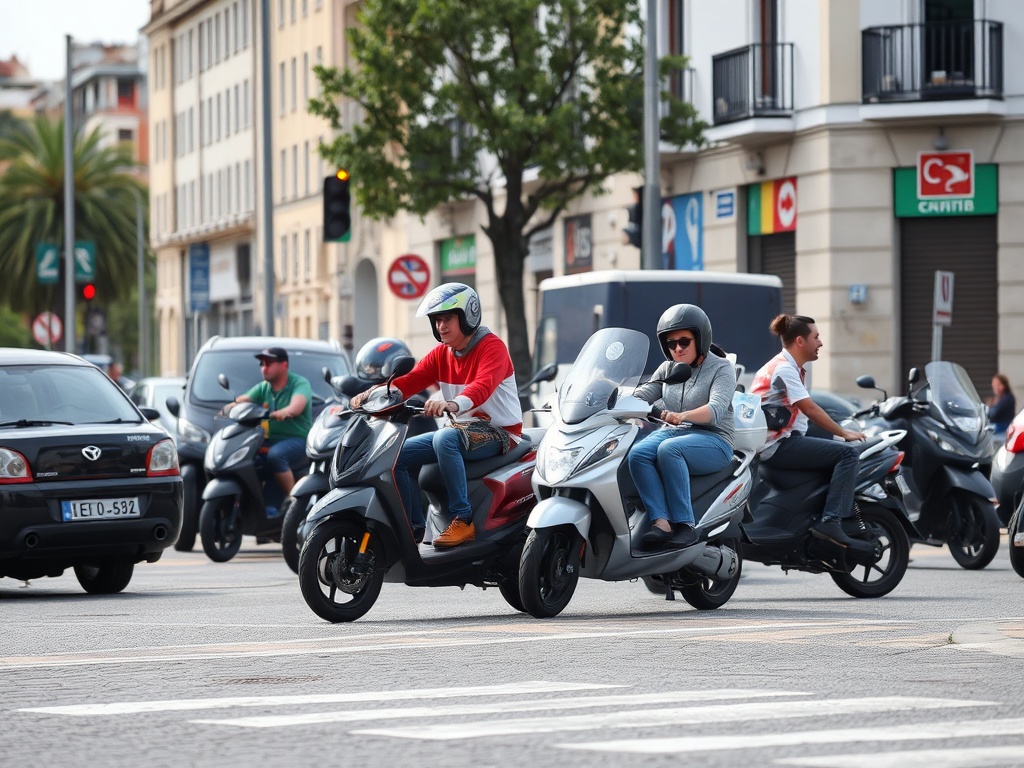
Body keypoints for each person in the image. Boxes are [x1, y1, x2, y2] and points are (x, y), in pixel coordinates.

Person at [349, 283, 522, 548]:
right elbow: (409, 381)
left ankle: (463, 520)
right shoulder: (442, 353)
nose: (441, 326)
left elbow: (483, 385)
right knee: (396, 454)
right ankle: (414, 528)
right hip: (463, 430)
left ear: (468, 316)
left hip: (499, 432)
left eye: (448, 318)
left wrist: (453, 404)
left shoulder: (492, 347)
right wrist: (370, 395)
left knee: (445, 439)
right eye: (437, 320)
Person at [750, 314, 866, 546]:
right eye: (816, 337)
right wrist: (844, 433)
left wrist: (834, 429)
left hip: (777, 442)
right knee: (848, 453)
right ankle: (831, 522)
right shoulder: (784, 369)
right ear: (800, 341)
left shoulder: (784, 366)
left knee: (832, 448)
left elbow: (804, 416)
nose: (820, 343)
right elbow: (811, 409)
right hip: (779, 446)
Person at [628, 304, 737, 550]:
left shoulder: (721, 368)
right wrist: (611, 394)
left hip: (715, 439)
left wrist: (681, 415)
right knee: (637, 454)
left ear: (700, 339)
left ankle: (685, 526)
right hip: (674, 433)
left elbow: (716, 409)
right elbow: (644, 393)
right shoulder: (668, 368)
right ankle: (661, 522)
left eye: (684, 342)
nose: (677, 348)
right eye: (671, 343)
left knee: (669, 450)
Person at [223, 346, 313, 496]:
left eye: (268, 364)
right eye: (262, 364)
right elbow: (243, 400)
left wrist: (284, 412)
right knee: (244, 458)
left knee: (276, 455)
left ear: (284, 365)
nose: (264, 368)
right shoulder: (265, 387)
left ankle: (293, 502)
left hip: (298, 440)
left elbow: (295, 407)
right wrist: (227, 409)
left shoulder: (300, 383)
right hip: (268, 441)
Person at [987, 373, 1016, 437]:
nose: (994, 386)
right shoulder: (1001, 397)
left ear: (1003, 385)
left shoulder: (1006, 399)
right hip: (1001, 428)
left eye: (996, 385)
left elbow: (995, 415)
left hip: (1002, 430)